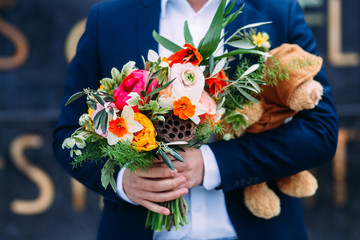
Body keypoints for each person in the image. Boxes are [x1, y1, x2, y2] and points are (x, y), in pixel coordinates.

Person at [53, 0, 338, 239]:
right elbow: (68, 133)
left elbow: (320, 130)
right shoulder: (111, 16)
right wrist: (123, 180)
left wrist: (212, 164)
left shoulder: (277, 10)